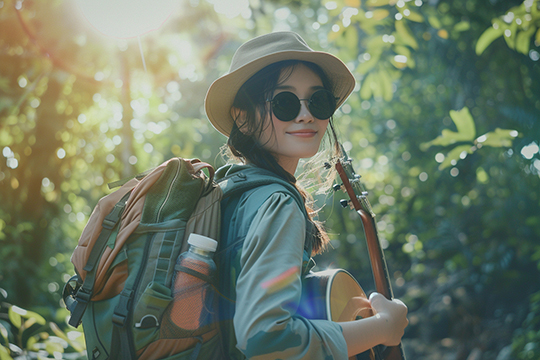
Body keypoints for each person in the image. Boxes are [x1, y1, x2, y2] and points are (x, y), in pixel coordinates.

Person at [204, 31, 408, 359]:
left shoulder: (227, 192)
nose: (305, 114)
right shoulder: (277, 203)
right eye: (284, 102)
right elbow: (265, 339)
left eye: (318, 101)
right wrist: (384, 327)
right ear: (243, 117)